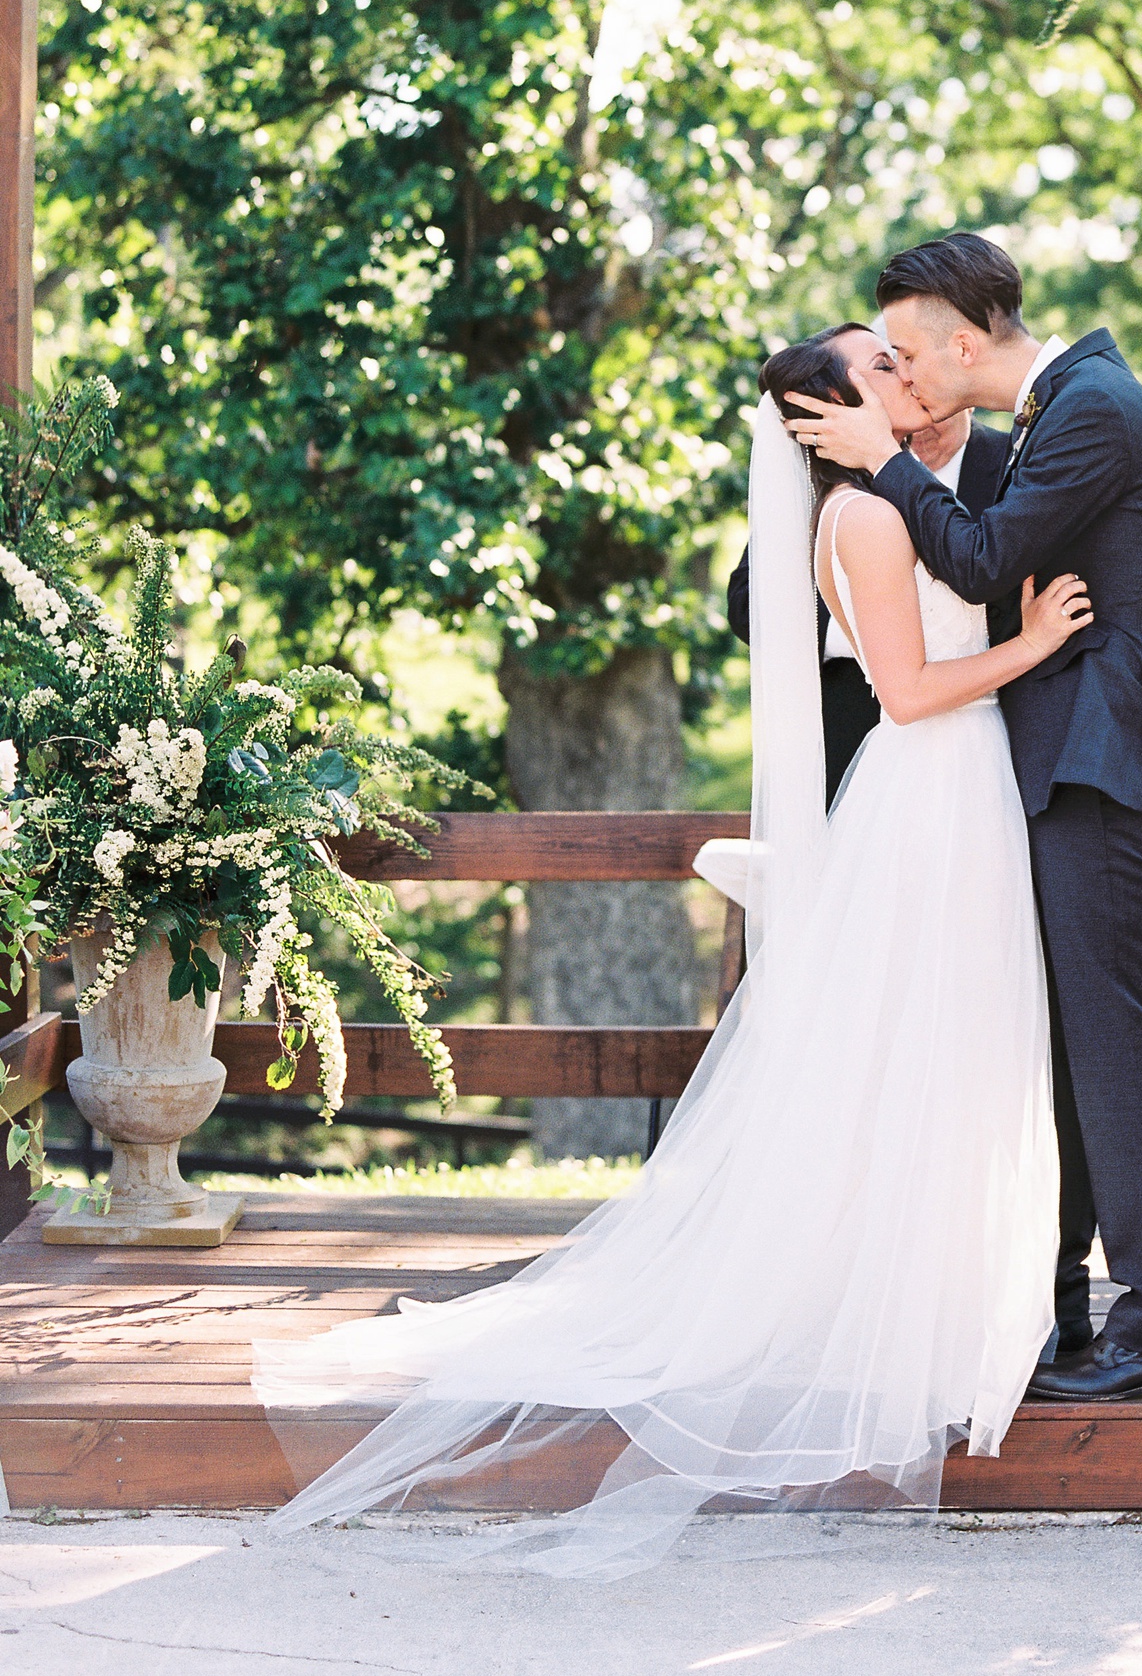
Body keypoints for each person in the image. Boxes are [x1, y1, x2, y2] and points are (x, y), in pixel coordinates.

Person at [254, 330, 1087, 1580]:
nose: (908, 369)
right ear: (828, 415)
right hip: (929, 787)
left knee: (949, 1052)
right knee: (914, 1050)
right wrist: (1032, 645)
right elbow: (908, 692)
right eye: (881, 365)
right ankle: (898, 1321)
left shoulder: (901, 497)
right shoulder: (863, 515)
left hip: (961, 796)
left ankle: (956, 1309)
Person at [788, 233, 1142, 1406]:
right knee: (1069, 1045)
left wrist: (881, 458)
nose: (904, 378)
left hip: (1100, 763)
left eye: (912, 355)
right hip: (1049, 762)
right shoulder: (1063, 407)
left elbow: (978, 561)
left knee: (1122, 1045)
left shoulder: (1091, 408)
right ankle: (1059, 1294)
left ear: (966, 343)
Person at [726, 322, 1008, 803]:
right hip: (867, 732)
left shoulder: (1012, 464)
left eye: (911, 362)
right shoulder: (845, 505)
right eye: (890, 364)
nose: (909, 377)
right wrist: (876, 625)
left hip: (993, 746)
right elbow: (748, 602)